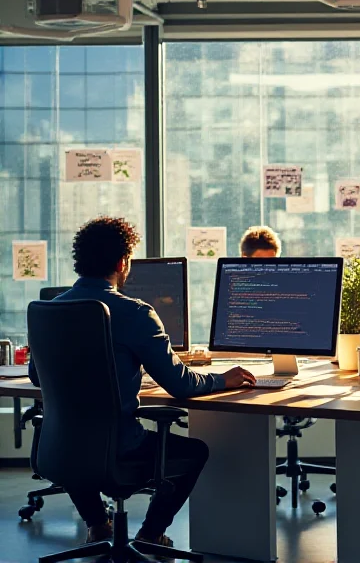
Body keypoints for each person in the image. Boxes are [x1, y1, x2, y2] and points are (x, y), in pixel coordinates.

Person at [28, 217, 256, 547]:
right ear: (123, 262)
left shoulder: (48, 310)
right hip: (120, 450)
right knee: (195, 451)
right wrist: (223, 378)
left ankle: (98, 526)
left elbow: (37, 376)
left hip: (58, 447)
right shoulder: (134, 312)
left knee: (81, 440)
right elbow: (181, 385)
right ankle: (150, 535)